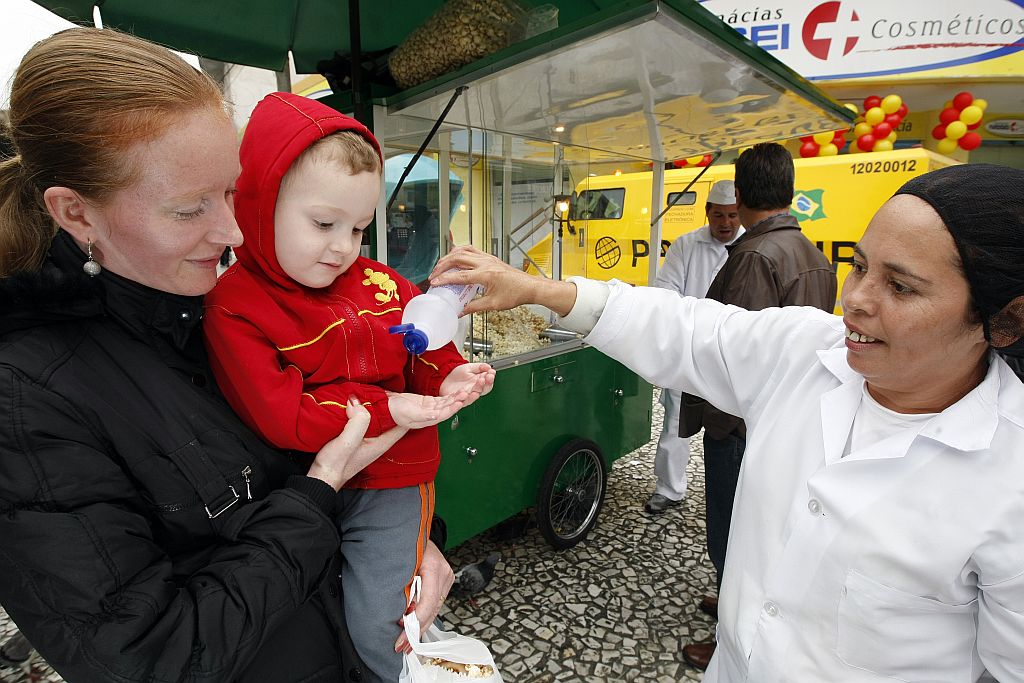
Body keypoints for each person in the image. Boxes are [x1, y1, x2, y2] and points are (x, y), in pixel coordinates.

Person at [429, 161, 1024, 682]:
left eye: (900, 286)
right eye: (860, 267)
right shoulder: (806, 353)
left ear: (1004, 322)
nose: (858, 299)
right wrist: (536, 288)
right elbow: (684, 326)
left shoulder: (1009, 479)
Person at [0, 28, 456, 682]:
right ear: (76, 212)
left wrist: (413, 541)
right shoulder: (26, 398)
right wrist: (318, 492)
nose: (234, 232)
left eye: (231, 194)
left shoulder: (211, 293)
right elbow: (148, 656)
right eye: (190, 210)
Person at [202, 92, 495, 683]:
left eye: (360, 228)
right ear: (258, 203)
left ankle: (406, 669)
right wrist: (391, 406)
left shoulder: (381, 283)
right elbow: (283, 414)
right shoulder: (234, 306)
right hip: (301, 486)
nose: (344, 247)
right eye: (323, 223)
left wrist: (449, 375)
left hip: (393, 481)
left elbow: (426, 346)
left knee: (376, 624)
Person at [679, 144, 836, 668]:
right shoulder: (811, 253)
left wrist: (715, 421)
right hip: (788, 417)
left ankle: (732, 640)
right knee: (767, 525)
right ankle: (731, 604)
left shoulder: (753, 257)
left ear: (740, 196)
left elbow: (734, 355)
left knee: (734, 531)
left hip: (744, 425)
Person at [645, 179, 744, 515]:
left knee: (734, 428)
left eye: (733, 215)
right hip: (687, 349)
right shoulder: (686, 245)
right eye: (719, 215)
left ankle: (737, 497)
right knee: (676, 420)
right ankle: (669, 489)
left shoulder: (749, 247)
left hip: (733, 353)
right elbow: (667, 292)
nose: (726, 223)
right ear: (707, 212)